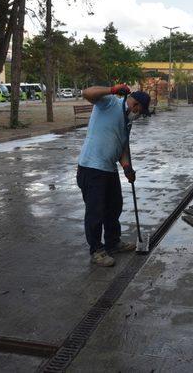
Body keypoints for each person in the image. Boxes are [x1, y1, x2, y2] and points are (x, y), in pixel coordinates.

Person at [76, 84, 151, 266]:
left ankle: (113, 242)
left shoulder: (127, 121)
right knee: (96, 212)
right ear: (136, 106)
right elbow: (86, 93)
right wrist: (111, 89)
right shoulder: (110, 103)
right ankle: (97, 251)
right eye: (140, 111)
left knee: (114, 207)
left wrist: (126, 168)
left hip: (109, 169)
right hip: (92, 167)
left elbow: (123, 147)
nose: (139, 115)